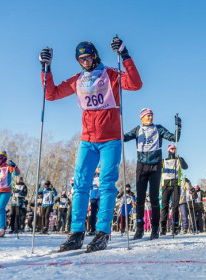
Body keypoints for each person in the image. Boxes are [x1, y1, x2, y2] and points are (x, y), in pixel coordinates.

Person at [39, 36, 142, 251]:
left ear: (95, 55)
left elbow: (135, 84)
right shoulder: (79, 80)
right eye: (81, 59)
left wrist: (125, 55)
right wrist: (45, 68)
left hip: (110, 139)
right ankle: (77, 233)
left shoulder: (111, 75)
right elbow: (52, 94)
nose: (85, 62)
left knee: (106, 185)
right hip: (87, 140)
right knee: (80, 186)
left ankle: (102, 233)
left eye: (88, 57)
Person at [124, 109, 181, 240]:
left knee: (155, 198)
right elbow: (125, 137)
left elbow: (175, 138)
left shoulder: (158, 128)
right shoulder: (138, 129)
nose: (150, 118)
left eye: (151, 116)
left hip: (155, 165)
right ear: (142, 117)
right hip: (141, 166)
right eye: (148, 116)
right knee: (140, 199)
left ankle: (155, 229)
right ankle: (139, 228)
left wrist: (179, 126)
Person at [160, 145, 188, 236]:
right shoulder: (164, 161)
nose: (173, 150)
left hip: (176, 184)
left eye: (175, 149)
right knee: (164, 207)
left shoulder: (178, 160)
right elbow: (157, 168)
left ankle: (175, 227)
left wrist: (181, 160)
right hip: (166, 185)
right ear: (168, 150)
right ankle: (163, 228)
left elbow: (185, 167)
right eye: (172, 149)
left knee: (175, 207)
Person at [88, 167, 101, 236]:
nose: (98, 169)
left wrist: (100, 185)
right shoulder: (92, 176)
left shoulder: (102, 175)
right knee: (93, 214)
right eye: (97, 168)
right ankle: (92, 229)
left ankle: (100, 229)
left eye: (99, 168)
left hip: (100, 197)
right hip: (93, 197)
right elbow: (90, 186)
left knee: (100, 213)